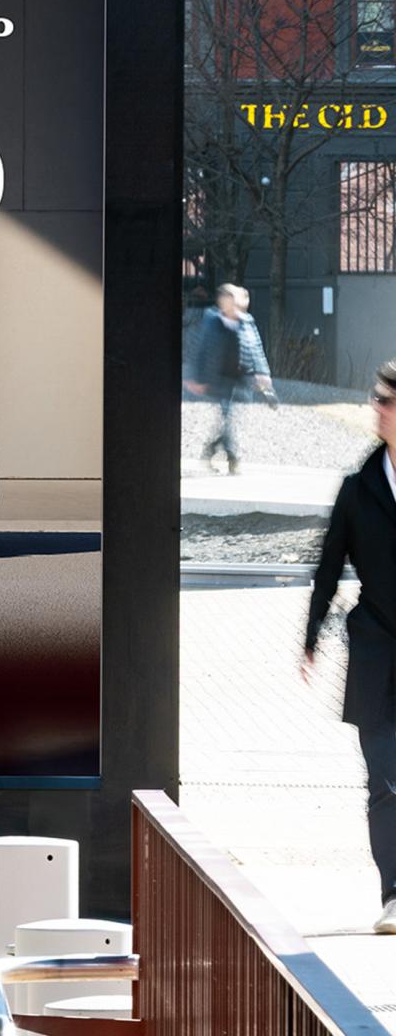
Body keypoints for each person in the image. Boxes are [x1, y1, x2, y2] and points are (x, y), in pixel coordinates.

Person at [302, 357, 396, 935]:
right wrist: (310, 637)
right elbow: (329, 564)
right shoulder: (357, 489)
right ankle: (394, 894)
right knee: (384, 781)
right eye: (378, 400)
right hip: (374, 655)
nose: (378, 409)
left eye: (388, 400)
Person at [185, 284, 244, 474]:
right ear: (221, 302)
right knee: (227, 417)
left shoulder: (242, 323)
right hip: (217, 380)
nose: (231, 304)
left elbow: (251, 349)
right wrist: (196, 379)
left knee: (227, 419)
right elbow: (201, 351)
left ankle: (209, 452)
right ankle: (232, 458)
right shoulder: (213, 322)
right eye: (228, 300)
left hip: (234, 379)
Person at [233, 287, 278, 407]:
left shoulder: (248, 322)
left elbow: (256, 349)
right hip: (233, 372)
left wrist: (263, 372)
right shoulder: (239, 322)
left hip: (243, 372)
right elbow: (256, 349)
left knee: (241, 403)